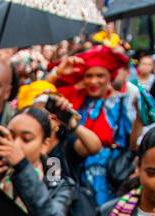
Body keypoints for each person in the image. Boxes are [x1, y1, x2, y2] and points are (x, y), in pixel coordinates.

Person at [54, 45, 141, 207]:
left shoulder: (122, 102)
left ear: (110, 76)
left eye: (100, 75)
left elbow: (135, 143)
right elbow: (43, 97)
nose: (94, 81)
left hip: (111, 178)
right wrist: (57, 73)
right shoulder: (77, 100)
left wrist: (140, 118)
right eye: (89, 76)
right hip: (76, 175)